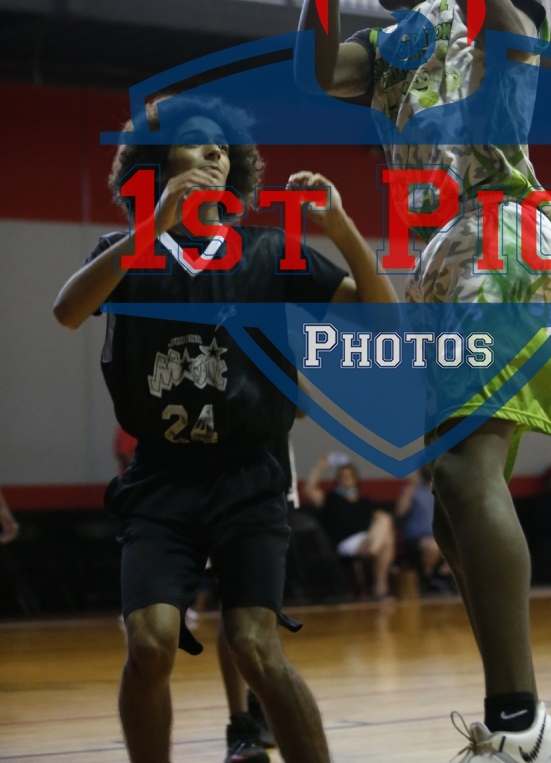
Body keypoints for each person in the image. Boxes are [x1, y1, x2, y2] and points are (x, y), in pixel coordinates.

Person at [298, 0, 551, 762]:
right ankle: (529, 728)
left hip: (500, 231)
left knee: (465, 473)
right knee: (456, 513)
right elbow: (316, 68)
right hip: (435, 263)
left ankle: (519, 723)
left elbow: (511, 35)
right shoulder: (397, 43)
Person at [53, 94, 397, 763]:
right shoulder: (128, 253)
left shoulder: (269, 249)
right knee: (149, 643)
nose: (214, 151)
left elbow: (383, 322)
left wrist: (343, 228)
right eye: (194, 141)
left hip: (249, 478)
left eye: (222, 145)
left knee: (253, 645)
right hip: (161, 478)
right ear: (157, 162)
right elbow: (68, 311)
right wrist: (154, 223)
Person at [306, 456, 396, 598]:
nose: (346, 479)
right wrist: (320, 466)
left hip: (367, 538)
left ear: (355, 479)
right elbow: (309, 490)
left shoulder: (364, 501)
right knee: (387, 541)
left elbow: (379, 521)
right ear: (337, 479)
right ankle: (380, 587)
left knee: (385, 522)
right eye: (342, 476)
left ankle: (372, 553)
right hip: (346, 542)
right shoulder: (331, 499)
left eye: (349, 476)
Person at [395, 468, 453, 592]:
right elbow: (400, 512)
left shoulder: (440, 490)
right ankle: (428, 579)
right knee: (432, 546)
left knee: (462, 546)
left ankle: (442, 576)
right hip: (415, 538)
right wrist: (409, 489)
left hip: (438, 536)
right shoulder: (412, 489)